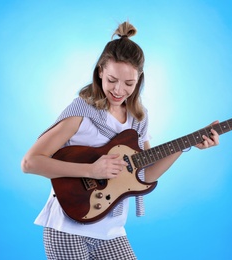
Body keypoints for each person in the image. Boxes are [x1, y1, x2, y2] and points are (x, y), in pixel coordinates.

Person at [21, 21, 219, 260]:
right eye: (112, 80)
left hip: (110, 230)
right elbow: (30, 163)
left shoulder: (138, 119)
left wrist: (185, 145)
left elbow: (144, 175)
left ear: (139, 79)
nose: (118, 90)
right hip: (66, 227)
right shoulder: (81, 112)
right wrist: (92, 170)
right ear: (100, 71)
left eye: (129, 83)